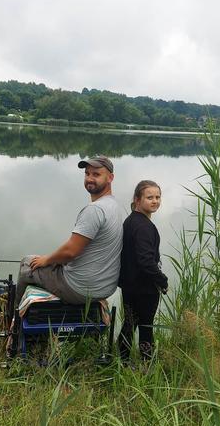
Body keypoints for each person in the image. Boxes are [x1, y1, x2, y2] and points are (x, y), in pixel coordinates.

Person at [15, 155, 124, 307]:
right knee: (52, 262)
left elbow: (70, 252)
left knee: (27, 264)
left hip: (80, 288)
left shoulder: (94, 210)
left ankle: (14, 319)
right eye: (87, 174)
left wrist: (46, 260)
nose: (90, 178)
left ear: (110, 178)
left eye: (96, 174)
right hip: (105, 287)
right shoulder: (114, 205)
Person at [118, 180, 168, 362]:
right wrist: (162, 280)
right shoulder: (143, 227)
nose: (155, 201)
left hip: (130, 285)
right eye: (149, 197)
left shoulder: (131, 220)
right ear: (137, 199)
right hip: (144, 288)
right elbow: (146, 261)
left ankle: (122, 361)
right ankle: (148, 364)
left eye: (157, 197)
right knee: (146, 326)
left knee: (130, 324)